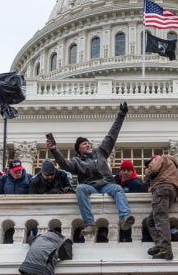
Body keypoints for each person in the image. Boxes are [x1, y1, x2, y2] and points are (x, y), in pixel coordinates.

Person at [47, 102, 135, 238]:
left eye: (88, 142)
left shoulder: (100, 151)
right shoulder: (76, 161)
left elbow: (112, 135)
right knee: (80, 188)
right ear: (79, 149)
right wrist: (54, 150)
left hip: (106, 185)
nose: (87, 144)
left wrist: (121, 116)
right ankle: (89, 223)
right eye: (84, 144)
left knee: (117, 189)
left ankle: (124, 217)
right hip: (90, 187)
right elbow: (64, 164)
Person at [141, 153, 178, 260]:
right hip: (171, 191)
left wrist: (147, 172)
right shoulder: (171, 164)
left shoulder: (159, 158)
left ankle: (166, 248)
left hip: (162, 188)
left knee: (160, 218)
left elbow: (153, 169)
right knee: (151, 221)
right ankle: (160, 245)